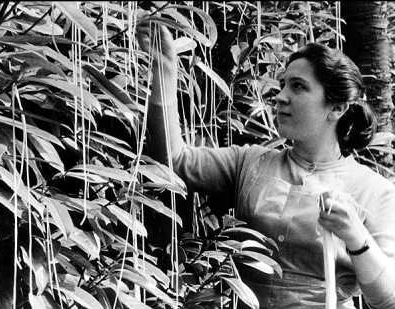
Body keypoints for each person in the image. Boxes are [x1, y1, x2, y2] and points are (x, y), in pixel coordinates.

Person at [137, 22, 395, 308]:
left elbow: (388, 300)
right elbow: (172, 162)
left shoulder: (375, 191)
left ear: (336, 108)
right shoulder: (250, 161)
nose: (281, 96)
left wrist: (355, 235)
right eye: (283, 84)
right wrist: (164, 70)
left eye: (298, 87)